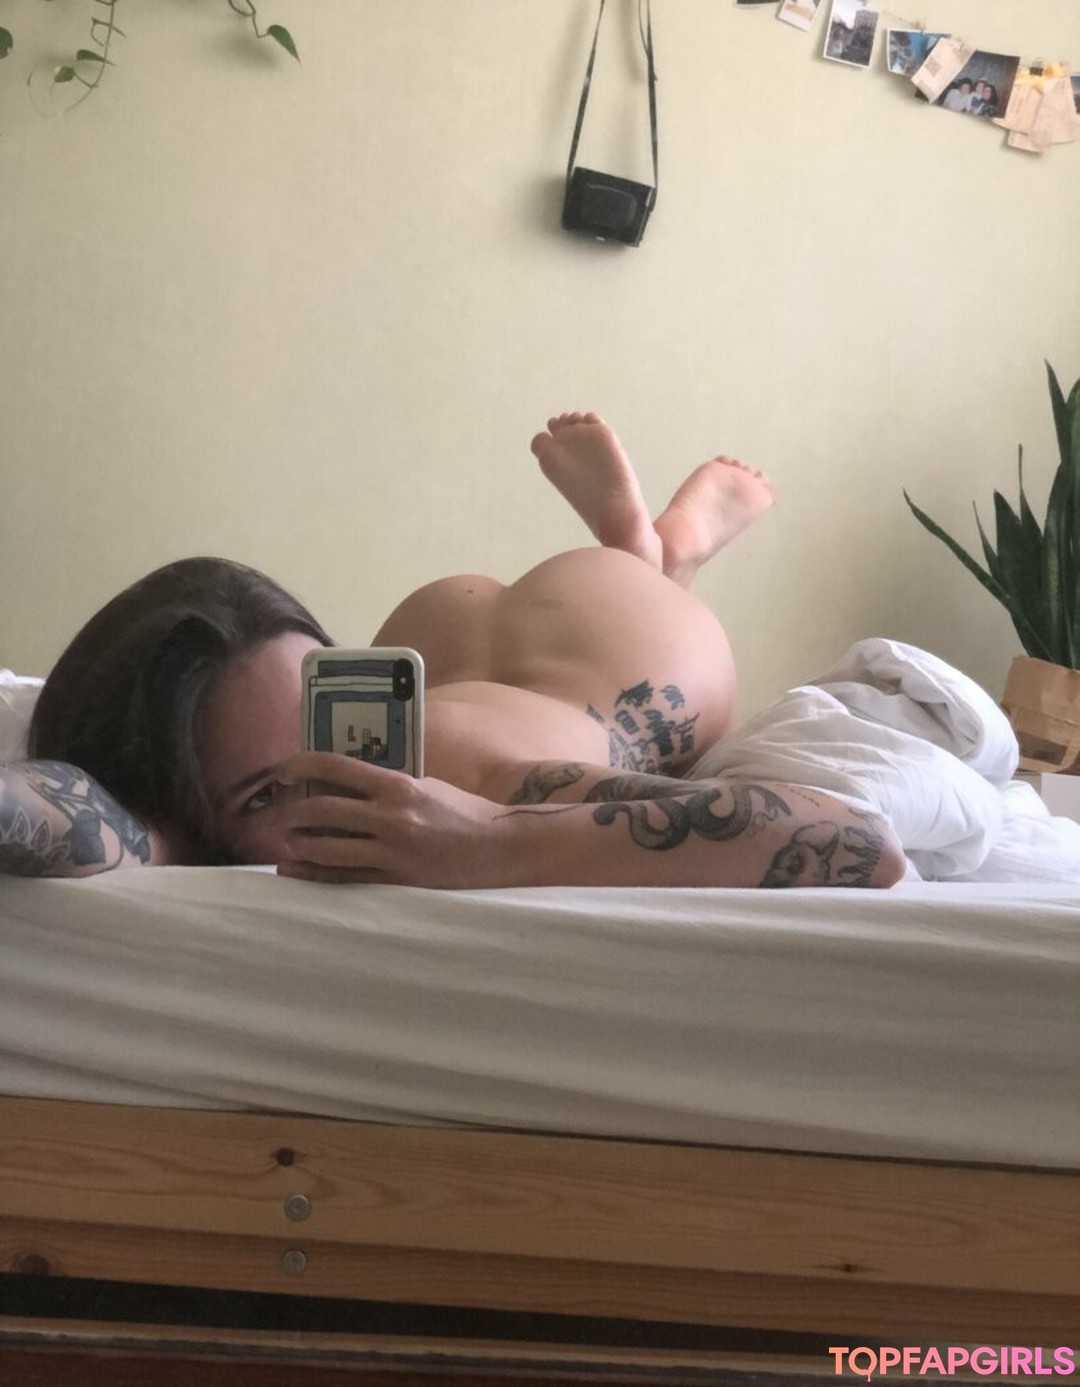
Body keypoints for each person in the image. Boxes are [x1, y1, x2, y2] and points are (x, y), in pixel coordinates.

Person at [1, 413, 905, 890]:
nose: (341, 781)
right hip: (455, 635)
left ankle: (659, 552)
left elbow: (862, 840)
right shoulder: (180, 828)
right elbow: (77, 810)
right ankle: (649, 549)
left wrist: (496, 842)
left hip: (627, 648)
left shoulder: (462, 774)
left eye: (325, 718)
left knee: (647, 582)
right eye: (267, 792)